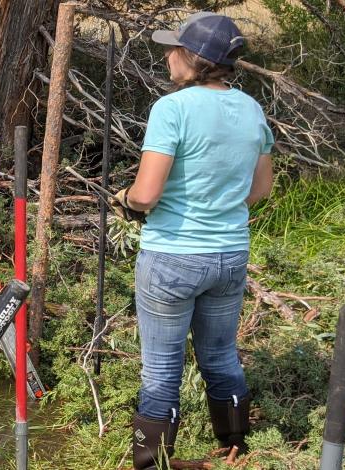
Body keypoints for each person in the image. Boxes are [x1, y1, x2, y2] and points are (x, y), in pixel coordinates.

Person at [109, 12, 274, 470]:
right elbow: (259, 190)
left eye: (173, 49)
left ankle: (150, 462)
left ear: (197, 59)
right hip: (230, 254)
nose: (167, 56)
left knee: (161, 370)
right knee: (220, 355)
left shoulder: (172, 109)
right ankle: (234, 447)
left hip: (172, 258)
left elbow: (146, 194)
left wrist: (122, 196)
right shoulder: (251, 109)